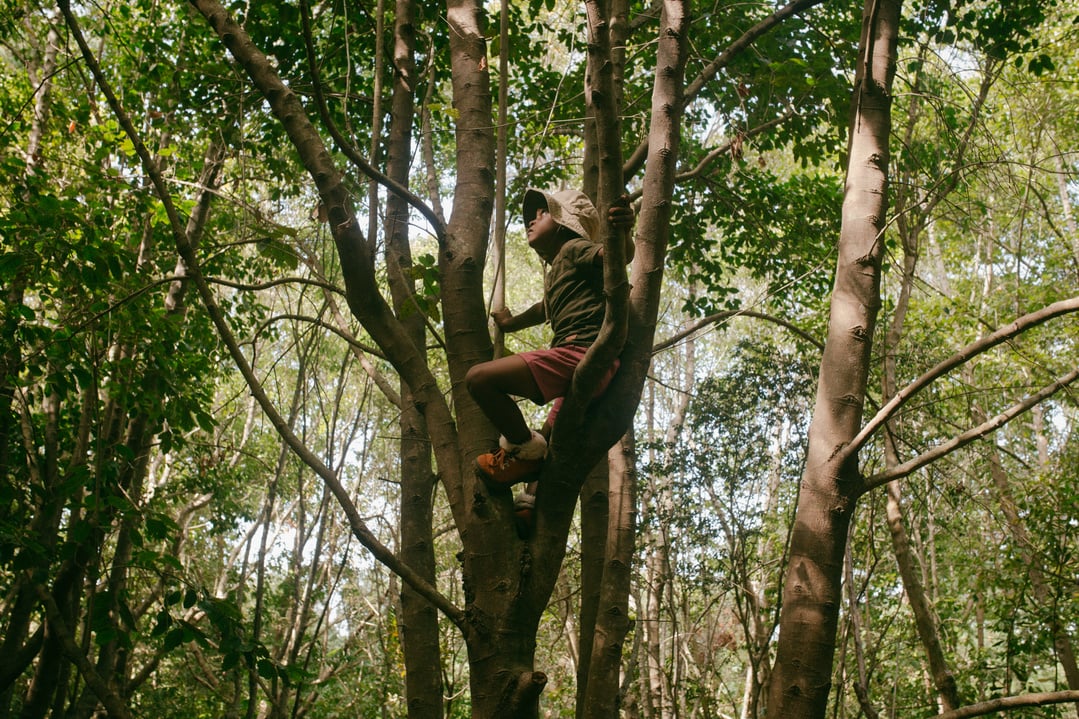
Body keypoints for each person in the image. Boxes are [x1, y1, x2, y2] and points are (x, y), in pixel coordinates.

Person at [465, 188, 633, 510]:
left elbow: (616, 258)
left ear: (563, 223)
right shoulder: (561, 268)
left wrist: (623, 231)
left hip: (581, 355)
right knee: (550, 439)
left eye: (543, 214)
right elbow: (547, 307)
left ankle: (524, 452)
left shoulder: (573, 248)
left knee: (479, 379)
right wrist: (511, 323)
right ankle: (531, 504)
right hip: (579, 365)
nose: (532, 219)